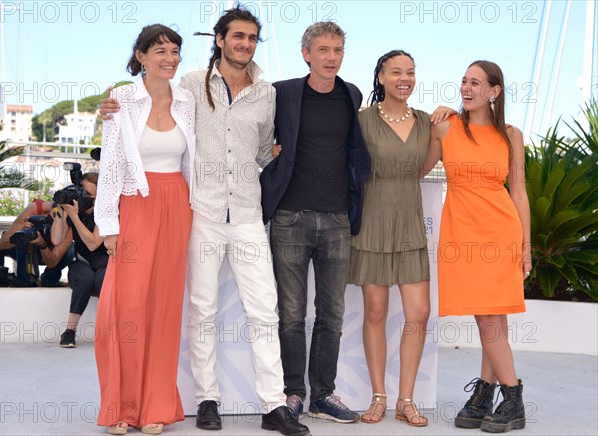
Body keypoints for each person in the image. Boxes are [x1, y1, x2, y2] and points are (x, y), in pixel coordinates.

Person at [100, 6, 308, 436]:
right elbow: (141, 110)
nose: (245, 44)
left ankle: (274, 404)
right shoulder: (191, 85)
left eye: (252, 38)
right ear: (219, 39)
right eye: (237, 36)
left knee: (265, 310)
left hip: (247, 212)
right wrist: (111, 105)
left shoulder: (265, 93)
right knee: (200, 310)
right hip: (202, 211)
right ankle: (206, 400)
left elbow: (263, 147)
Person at [260, 21, 371, 424]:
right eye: (323, 50)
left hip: (338, 218)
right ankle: (293, 393)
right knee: (290, 313)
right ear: (306, 53)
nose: (331, 58)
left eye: (337, 50)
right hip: (290, 217)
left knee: (332, 314)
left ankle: (323, 395)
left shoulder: (350, 94)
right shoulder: (282, 93)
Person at [94, 24, 195, 435]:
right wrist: (108, 224)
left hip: (178, 204)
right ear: (140, 56)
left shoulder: (189, 100)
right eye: (160, 51)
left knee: (164, 310)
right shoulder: (121, 100)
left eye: (175, 50)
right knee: (125, 310)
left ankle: (155, 406)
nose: (169, 58)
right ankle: (120, 406)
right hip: (135, 203)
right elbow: (112, 166)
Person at [420, 60, 531, 433]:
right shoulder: (447, 128)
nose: (467, 88)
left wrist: (526, 246)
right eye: (464, 81)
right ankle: (485, 392)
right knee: (490, 317)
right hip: (462, 235)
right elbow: (417, 170)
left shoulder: (511, 135)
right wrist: (427, 130)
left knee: (489, 317)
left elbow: (518, 191)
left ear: (494, 92)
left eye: (476, 83)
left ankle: (512, 398)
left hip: (500, 233)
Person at [347, 50, 453, 426]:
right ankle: (378, 397)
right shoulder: (360, 120)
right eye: (396, 72)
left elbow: (424, 168)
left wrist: (445, 123)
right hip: (372, 222)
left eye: (410, 72)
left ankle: (406, 400)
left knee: (419, 314)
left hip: (409, 223)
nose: (404, 78)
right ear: (380, 77)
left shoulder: (427, 122)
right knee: (375, 312)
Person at [48, 172, 108, 348]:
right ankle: (69, 331)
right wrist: (60, 215)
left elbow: (93, 243)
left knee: (102, 279)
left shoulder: (105, 212)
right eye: (82, 191)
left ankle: (110, 330)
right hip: (82, 261)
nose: (83, 196)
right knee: (84, 278)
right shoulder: (74, 210)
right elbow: (56, 240)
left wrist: (74, 215)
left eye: (88, 194)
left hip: (105, 261)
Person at [0, 199, 73, 287]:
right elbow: (1, 244)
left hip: (49, 255)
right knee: (20, 238)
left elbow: (52, 263)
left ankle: (50, 280)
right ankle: (20, 279)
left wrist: (43, 244)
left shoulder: (70, 223)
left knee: (70, 250)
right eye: (54, 215)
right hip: (22, 251)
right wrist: (23, 232)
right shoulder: (36, 208)